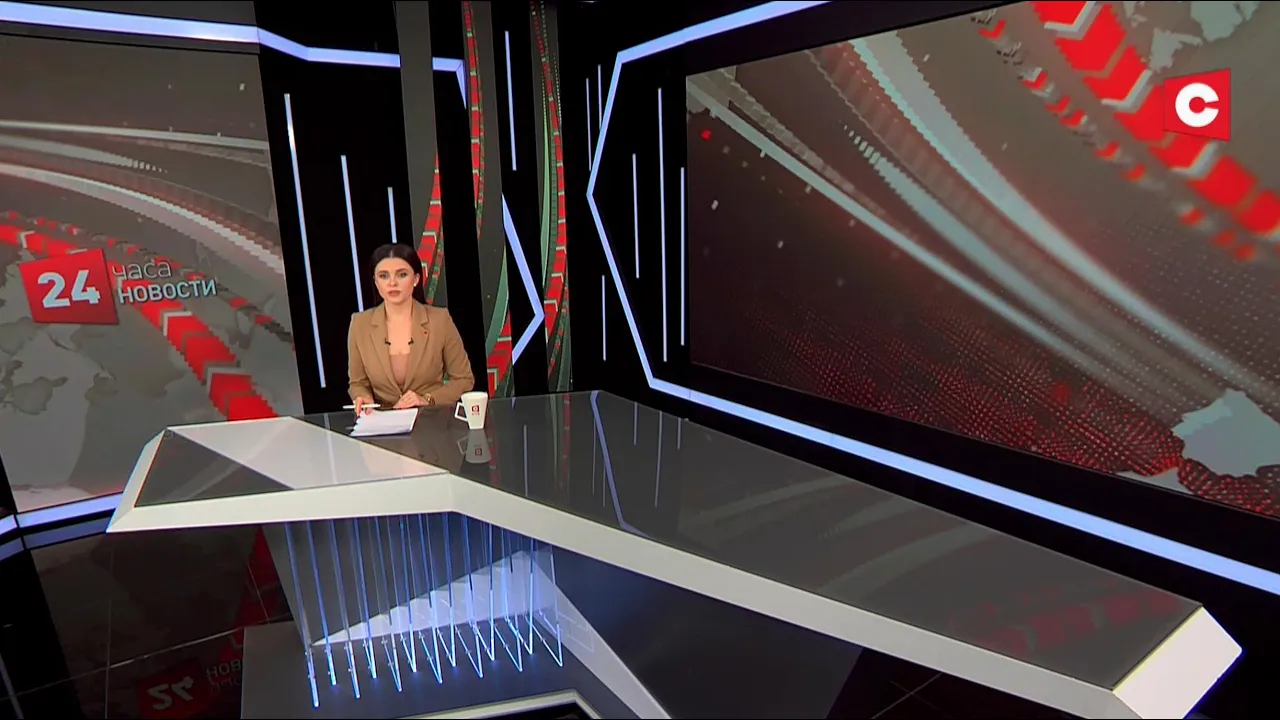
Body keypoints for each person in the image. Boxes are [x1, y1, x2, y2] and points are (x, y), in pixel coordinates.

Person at [347, 243, 475, 415]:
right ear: (375, 282)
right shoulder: (359, 324)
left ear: (415, 279)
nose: (392, 283)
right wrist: (363, 397)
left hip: (430, 420)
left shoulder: (440, 320)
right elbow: (357, 383)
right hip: (382, 421)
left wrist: (427, 399)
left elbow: (464, 379)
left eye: (402, 275)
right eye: (384, 276)